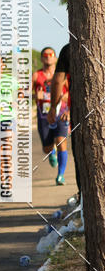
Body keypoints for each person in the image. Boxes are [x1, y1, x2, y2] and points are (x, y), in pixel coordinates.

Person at [33, 46, 70, 185]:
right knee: (47, 147)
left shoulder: (62, 74)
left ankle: (60, 175)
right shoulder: (37, 75)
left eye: (51, 54)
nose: (48, 56)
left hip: (60, 114)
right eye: (45, 54)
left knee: (61, 142)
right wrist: (35, 95)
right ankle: (51, 153)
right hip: (44, 115)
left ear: (55, 58)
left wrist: (67, 96)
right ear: (42, 58)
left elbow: (70, 89)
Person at [48, 42, 81, 197]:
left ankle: (83, 197)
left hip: (75, 111)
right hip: (63, 112)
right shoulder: (37, 75)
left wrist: (53, 107)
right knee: (48, 146)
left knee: (81, 155)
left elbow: (58, 80)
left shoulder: (70, 48)